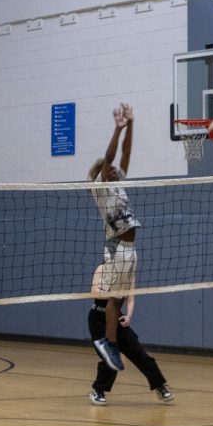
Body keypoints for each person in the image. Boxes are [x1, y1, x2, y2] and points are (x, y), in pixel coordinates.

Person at [88, 102, 140, 373]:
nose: (115, 170)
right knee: (114, 299)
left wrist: (131, 123)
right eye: (109, 169)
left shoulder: (118, 181)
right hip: (117, 246)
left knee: (117, 299)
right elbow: (110, 157)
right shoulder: (100, 188)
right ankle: (109, 342)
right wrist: (117, 129)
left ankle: (110, 343)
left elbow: (125, 154)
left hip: (129, 246)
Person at [87, 266, 174, 406]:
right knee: (110, 357)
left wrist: (128, 315)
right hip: (98, 319)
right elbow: (94, 292)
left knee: (139, 353)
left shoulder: (128, 275)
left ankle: (160, 386)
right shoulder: (102, 269)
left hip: (117, 317)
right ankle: (98, 391)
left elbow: (130, 298)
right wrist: (113, 293)